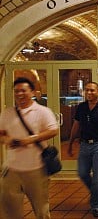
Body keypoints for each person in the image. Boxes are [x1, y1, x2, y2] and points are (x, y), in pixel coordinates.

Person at [0, 77, 59, 219]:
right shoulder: (7, 113)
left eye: (23, 91)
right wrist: (6, 139)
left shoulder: (42, 111)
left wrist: (31, 139)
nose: (19, 94)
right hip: (12, 169)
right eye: (16, 91)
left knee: (41, 209)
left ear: (32, 92)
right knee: (9, 209)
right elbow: (1, 133)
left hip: (36, 169)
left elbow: (53, 130)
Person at [68, 82, 98, 217]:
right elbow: (76, 125)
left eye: (92, 90)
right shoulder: (81, 107)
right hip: (84, 145)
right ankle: (96, 194)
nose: (89, 93)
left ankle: (97, 205)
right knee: (82, 173)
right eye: (87, 90)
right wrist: (70, 143)